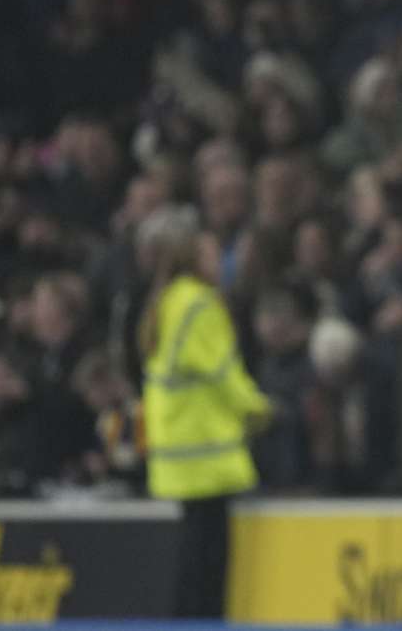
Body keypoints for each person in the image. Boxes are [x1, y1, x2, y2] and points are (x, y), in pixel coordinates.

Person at [138, 205, 270, 619]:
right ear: (192, 256)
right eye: (211, 253)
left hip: (179, 449)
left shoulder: (167, 302)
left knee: (191, 554)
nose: (220, 261)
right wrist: (261, 409)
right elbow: (223, 373)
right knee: (209, 562)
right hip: (206, 450)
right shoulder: (199, 304)